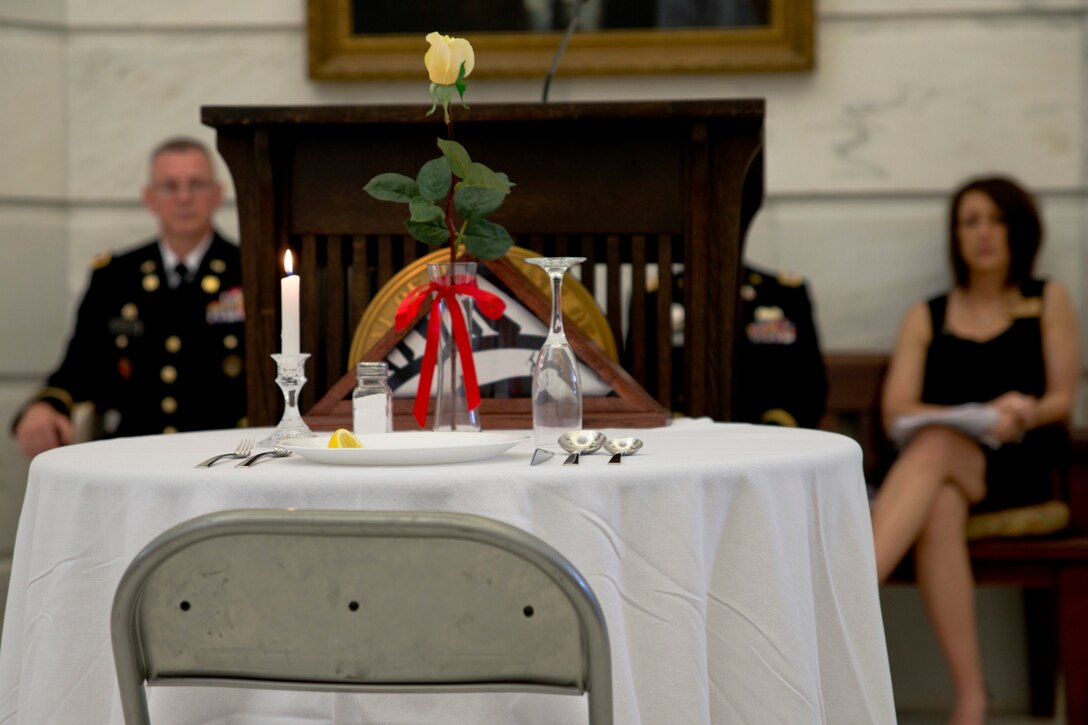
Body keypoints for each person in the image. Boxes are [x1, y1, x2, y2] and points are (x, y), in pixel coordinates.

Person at [869, 175, 1080, 724]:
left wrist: (1024, 411)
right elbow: (897, 411)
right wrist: (971, 411)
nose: (984, 233)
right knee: (938, 489)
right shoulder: (928, 315)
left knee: (936, 453)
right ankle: (971, 696)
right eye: (970, 221)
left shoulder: (1045, 299)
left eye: (997, 219)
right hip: (937, 471)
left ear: (1020, 229)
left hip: (1014, 465)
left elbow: (1062, 398)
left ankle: (851, 588)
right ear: (956, 237)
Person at [12, 137, 247, 458]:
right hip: (133, 458)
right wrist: (45, 405)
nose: (184, 197)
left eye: (196, 184)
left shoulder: (249, 272)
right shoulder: (115, 276)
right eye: (170, 186)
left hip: (227, 459)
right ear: (149, 198)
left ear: (219, 194)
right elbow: (79, 366)